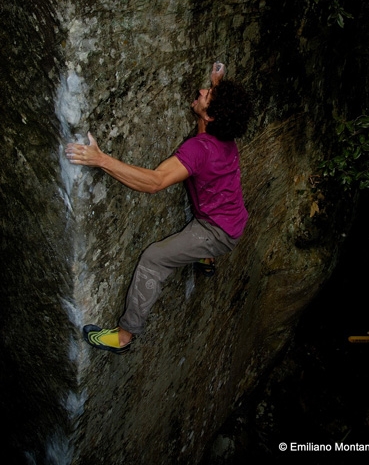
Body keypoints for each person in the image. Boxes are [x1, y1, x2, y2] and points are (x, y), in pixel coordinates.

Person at [66, 63, 252, 354]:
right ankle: (205, 257)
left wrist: (101, 160)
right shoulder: (226, 132)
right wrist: (218, 81)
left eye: (207, 95)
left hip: (217, 231)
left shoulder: (199, 150)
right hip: (233, 216)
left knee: (154, 259)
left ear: (211, 115)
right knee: (198, 213)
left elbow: (155, 182)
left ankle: (124, 336)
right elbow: (222, 110)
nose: (201, 91)